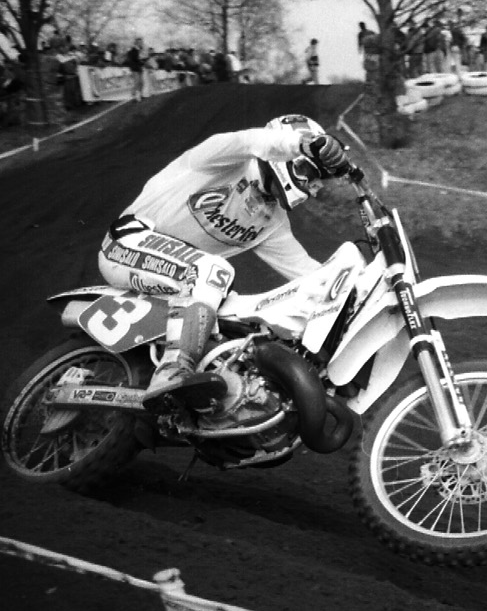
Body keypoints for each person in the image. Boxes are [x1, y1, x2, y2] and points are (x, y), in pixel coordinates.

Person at [98, 114, 351, 411]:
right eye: (313, 173)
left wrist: (354, 294)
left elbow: (309, 274)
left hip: (177, 281)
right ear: (291, 156)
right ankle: (172, 371)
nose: (316, 186)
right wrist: (303, 142)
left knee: (239, 319)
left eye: (320, 179)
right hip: (126, 244)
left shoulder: (271, 220)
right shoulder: (225, 160)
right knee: (213, 271)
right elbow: (250, 141)